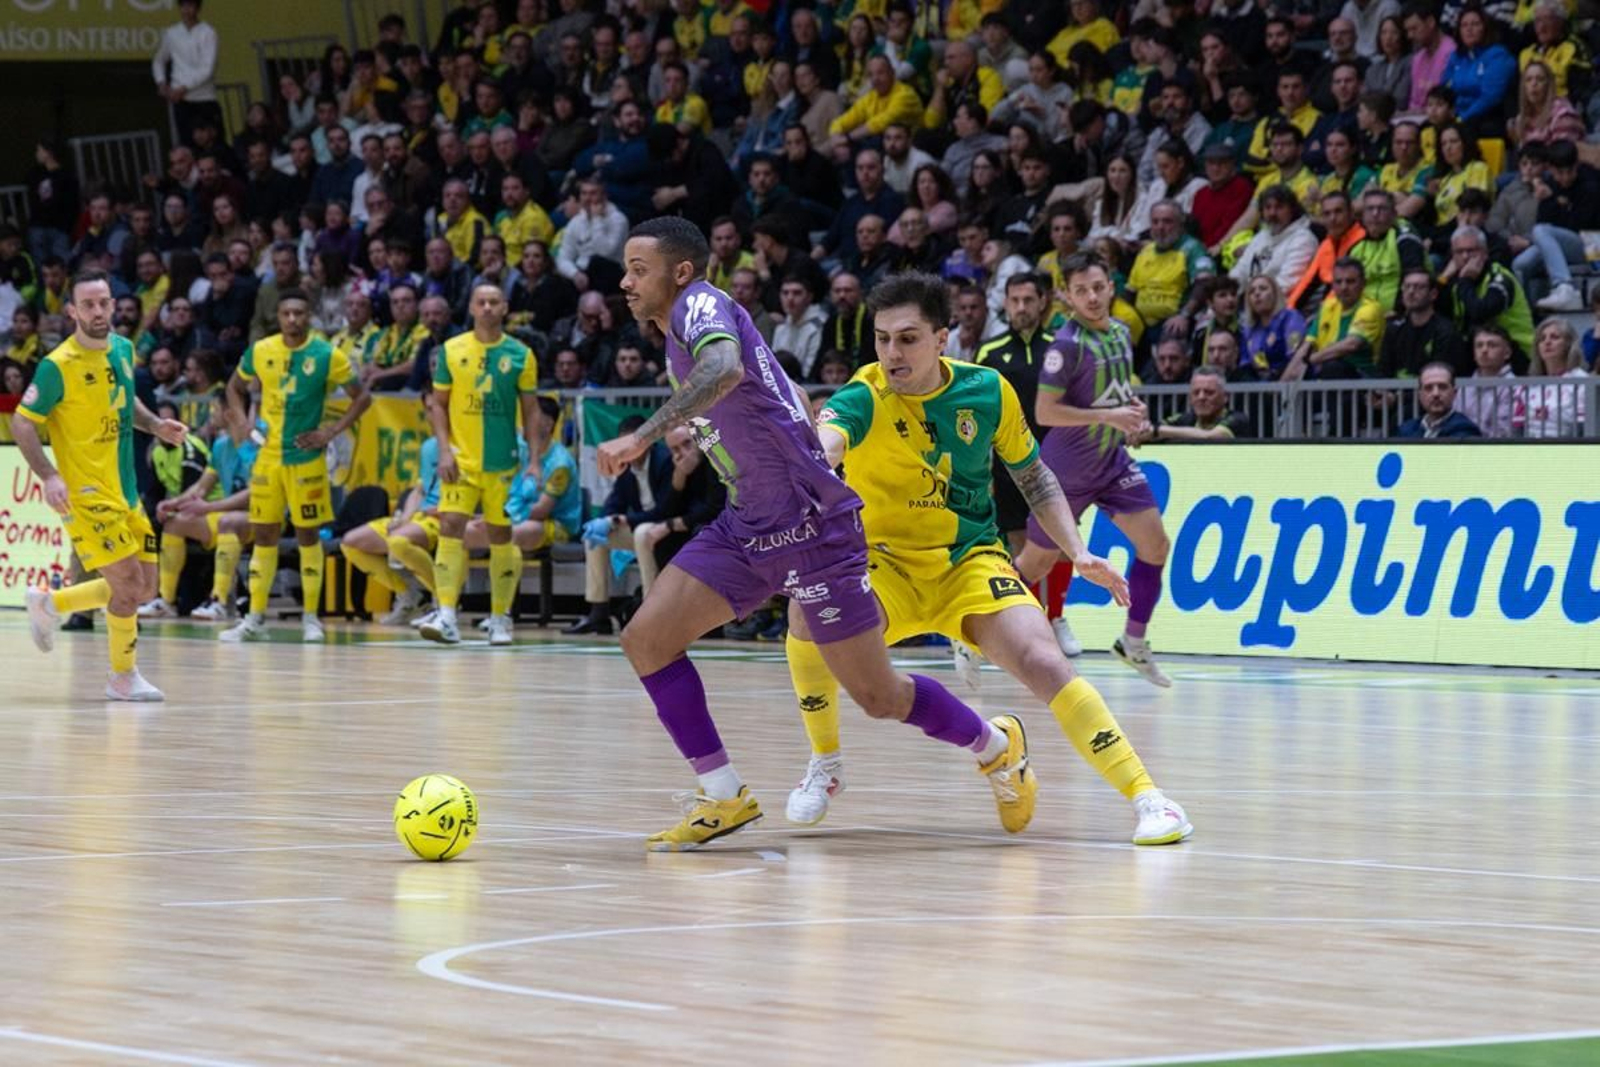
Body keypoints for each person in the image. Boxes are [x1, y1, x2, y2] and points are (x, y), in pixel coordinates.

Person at [598, 217, 1031, 851]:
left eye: (639, 270)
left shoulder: (701, 305)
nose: (626, 282)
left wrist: (642, 435)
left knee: (879, 697)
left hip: (811, 527)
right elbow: (779, 385)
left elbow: (723, 368)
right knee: (646, 638)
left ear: (681, 272)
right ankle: (723, 796)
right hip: (748, 522)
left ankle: (997, 745)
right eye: (627, 270)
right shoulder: (677, 332)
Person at [784, 270, 1191, 845]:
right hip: (885, 567)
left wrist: (1077, 552)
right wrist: (811, 468)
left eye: (907, 338)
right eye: (881, 339)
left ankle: (1150, 799)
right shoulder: (862, 395)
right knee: (805, 612)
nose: (891, 353)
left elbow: (1034, 476)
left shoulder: (987, 389)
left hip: (969, 563)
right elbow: (829, 443)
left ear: (941, 338)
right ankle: (826, 763)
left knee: (1045, 662)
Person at [14, 270, 190, 701]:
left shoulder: (123, 349)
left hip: (125, 491)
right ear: (72, 310)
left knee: (146, 588)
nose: (98, 311)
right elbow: (22, 422)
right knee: (129, 586)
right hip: (87, 495)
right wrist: (50, 476)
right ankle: (122, 677)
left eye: (104, 302)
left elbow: (124, 398)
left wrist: (155, 425)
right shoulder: (58, 365)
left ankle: (49, 604)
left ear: (113, 305)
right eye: (88, 304)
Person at [1011, 252, 1175, 688]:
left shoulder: (1121, 333)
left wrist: (1132, 411)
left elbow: (1113, 395)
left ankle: (1133, 642)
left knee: (1156, 545)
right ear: (1066, 294)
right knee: (1035, 564)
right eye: (1081, 290)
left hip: (1111, 461)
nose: (1092, 297)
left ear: (1111, 287)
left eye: (1098, 287)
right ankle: (975, 630)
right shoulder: (1066, 345)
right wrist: (1108, 417)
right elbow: (1046, 412)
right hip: (1066, 471)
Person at [220, 289, 370, 643]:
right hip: (268, 457)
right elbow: (233, 387)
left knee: (307, 535)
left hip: (307, 459)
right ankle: (254, 617)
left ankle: (311, 618)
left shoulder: (326, 354)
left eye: (299, 313)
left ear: (309, 317)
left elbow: (362, 397)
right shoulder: (261, 350)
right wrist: (242, 425)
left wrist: (330, 431)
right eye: (286, 313)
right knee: (264, 535)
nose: (292, 320)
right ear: (280, 316)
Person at [418, 284, 543, 646]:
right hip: (461, 461)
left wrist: (534, 460)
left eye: (494, 302)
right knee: (451, 525)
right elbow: (438, 405)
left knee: (500, 535)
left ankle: (501, 617)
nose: (487, 307)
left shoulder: (521, 354)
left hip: (503, 464)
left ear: (504, 307)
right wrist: (444, 450)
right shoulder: (451, 351)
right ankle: (445, 615)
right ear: (471, 307)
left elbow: (532, 411)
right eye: (481, 302)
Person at [141, 396, 258, 621]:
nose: (210, 415)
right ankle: (166, 601)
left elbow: (254, 493)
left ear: (229, 413)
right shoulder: (221, 445)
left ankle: (220, 601)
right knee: (175, 523)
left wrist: (209, 507)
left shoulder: (253, 445)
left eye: (215, 409)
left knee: (227, 521)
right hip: (225, 513)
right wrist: (174, 503)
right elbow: (202, 486)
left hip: (262, 516)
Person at [565, 420, 685, 636]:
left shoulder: (664, 461)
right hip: (642, 526)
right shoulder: (626, 467)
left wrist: (626, 520)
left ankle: (652, 611)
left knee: (642, 533)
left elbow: (666, 511)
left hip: (670, 528)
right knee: (594, 536)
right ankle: (599, 612)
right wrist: (604, 520)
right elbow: (615, 501)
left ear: (645, 442)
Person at [152, 0, 221, 148]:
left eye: (190, 6)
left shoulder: (208, 32)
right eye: (183, 6)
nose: (186, 10)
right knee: (188, 146)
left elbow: (207, 68)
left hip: (204, 98)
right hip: (182, 102)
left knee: (214, 145)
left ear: (198, 8)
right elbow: (159, 60)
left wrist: (184, 88)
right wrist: (161, 83)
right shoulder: (172, 33)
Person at [1380, 269, 1468, 377]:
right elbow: (1384, 371)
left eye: (1419, 287)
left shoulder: (1446, 331)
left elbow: (1443, 374)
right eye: (1406, 286)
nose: (1411, 291)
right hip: (1396, 392)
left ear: (1433, 294)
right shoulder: (1393, 329)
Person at [1138, 365, 1254, 441]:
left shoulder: (1238, 419)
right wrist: (1143, 430)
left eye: (1209, 392)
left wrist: (1157, 431)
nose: (1201, 397)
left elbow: (1211, 437)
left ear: (1225, 397)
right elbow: (1148, 431)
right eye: (1196, 392)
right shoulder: (1184, 419)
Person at [1395, 361, 1484, 437]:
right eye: (1428, 388)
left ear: (1454, 393)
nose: (1436, 394)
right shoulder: (1406, 429)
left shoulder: (1466, 430)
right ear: (1420, 395)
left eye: (1442, 387)